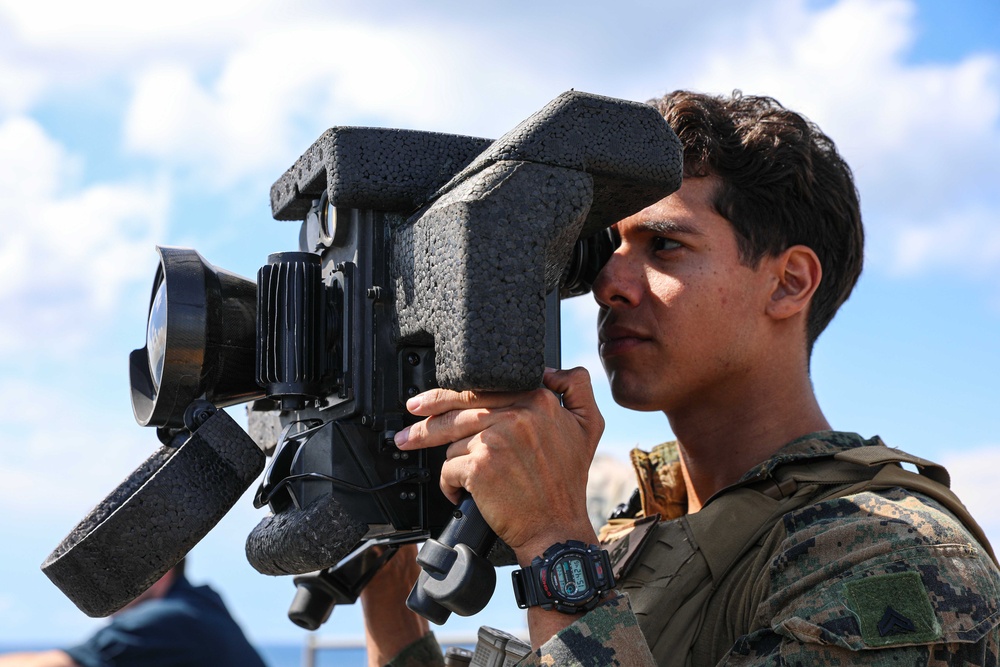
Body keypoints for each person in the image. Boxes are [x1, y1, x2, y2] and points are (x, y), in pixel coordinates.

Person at [360, 90, 1000, 666]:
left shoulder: (893, 557)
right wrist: (392, 605)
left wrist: (554, 545)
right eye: (608, 251)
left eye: (664, 247)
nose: (608, 284)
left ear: (788, 283)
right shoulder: (646, 525)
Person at [0, 560, 267, 667]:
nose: (98, 582)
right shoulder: (201, 604)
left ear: (158, 569)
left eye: (109, 567)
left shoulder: (169, 619)